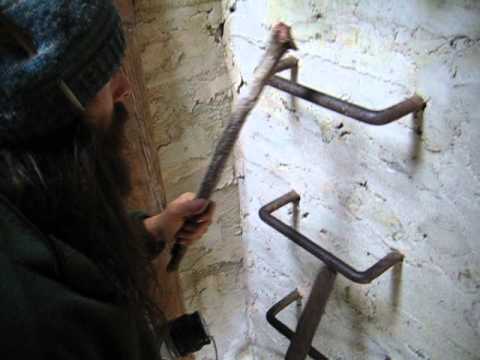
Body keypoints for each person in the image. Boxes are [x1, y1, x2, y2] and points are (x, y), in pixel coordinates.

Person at [0, 0, 214, 358]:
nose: (124, 87)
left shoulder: (26, 184)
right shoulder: (39, 320)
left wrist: (154, 231)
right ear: (62, 107)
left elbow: (73, 242)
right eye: (103, 77)